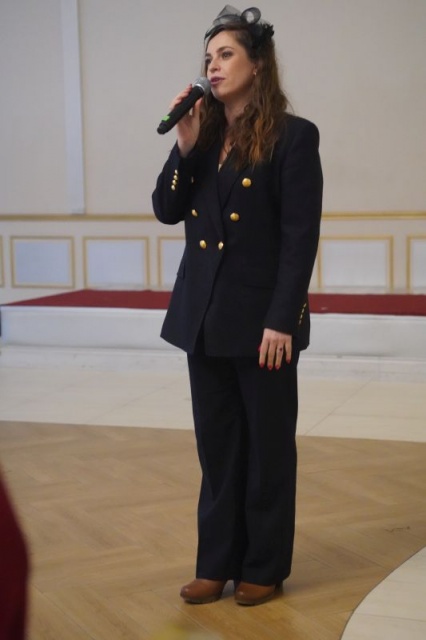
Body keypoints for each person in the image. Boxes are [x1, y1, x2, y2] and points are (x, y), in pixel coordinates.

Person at [152, 5, 323, 606]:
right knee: (218, 449)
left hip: (262, 325)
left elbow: (299, 238)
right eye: (209, 57)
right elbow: (166, 210)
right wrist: (184, 146)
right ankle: (215, 562)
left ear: (258, 65)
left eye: (226, 55)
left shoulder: (293, 137)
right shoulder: (202, 136)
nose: (214, 66)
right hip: (203, 319)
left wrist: (282, 319)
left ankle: (263, 565)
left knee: (267, 450)